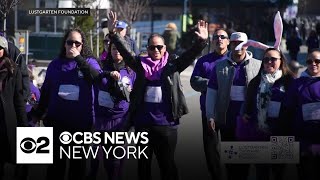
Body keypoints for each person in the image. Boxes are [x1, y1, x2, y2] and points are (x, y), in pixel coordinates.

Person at [107, 11, 208, 180]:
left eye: (159, 47)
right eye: (152, 47)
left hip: (167, 125)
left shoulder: (172, 65)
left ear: (164, 48)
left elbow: (189, 55)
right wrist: (113, 35)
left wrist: (202, 41)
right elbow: (126, 53)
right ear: (147, 49)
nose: (156, 50)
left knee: (167, 165)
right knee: (143, 166)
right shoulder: (140, 65)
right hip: (143, 124)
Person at [34, 28, 101, 180]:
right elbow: (46, 92)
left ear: (82, 45)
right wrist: (37, 114)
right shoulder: (55, 64)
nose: (73, 46)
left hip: (81, 126)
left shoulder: (88, 62)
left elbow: (96, 77)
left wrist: (78, 58)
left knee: (77, 169)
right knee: (55, 168)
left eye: (77, 43)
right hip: (57, 124)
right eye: (70, 42)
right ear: (64, 44)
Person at [206, 32, 262, 180]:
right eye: (234, 43)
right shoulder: (219, 66)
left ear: (247, 45)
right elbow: (212, 91)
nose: (237, 47)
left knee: (247, 162)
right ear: (230, 45)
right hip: (228, 122)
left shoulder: (258, 65)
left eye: (241, 43)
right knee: (231, 162)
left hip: (249, 122)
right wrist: (210, 115)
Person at [242, 48, 294, 180]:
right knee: (261, 171)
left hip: (282, 133)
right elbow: (248, 103)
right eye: (266, 59)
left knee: (280, 172)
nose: (269, 62)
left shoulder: (289, 81)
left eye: (273, 59)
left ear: (281, 61)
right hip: (260, 132)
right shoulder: (255, 82)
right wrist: (246, 114)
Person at [87, 40, 136, 180]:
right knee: (97, 159)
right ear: (109, 50)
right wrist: (108, 74)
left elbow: (136, 96)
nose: (117, 51)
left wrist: (129, 91)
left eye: (120, 49)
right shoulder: (101, 66)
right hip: (101, 120)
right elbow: (93, 76)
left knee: (116, 162)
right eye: (114, 48)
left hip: (120, 122)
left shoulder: (131, 70)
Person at [190, 28, 229, 180]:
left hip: (229, 112)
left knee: (230, 147)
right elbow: (194, 81)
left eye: (222, 37)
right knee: (211, 149)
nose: (219, 39)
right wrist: (214, 84)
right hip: (209, 111)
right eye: (216, 37)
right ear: (212, 41)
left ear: (228, 41)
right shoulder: (203, 61)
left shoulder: (233, 60)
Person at [283, 48, 320, 180]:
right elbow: (288, 110)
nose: (313, 64)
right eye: (309, 61)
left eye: (317, 61)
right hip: (302, 143)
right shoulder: (297, 84)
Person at [0, 36, 28, 179]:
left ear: (4, 51)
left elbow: (19, 100)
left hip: (7, 125)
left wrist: (24, 126)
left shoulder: (13, 71)